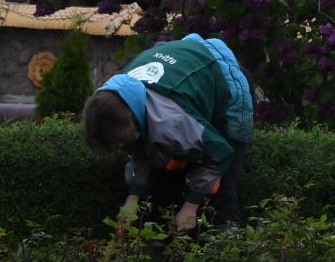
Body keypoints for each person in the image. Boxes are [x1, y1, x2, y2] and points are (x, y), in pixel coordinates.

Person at [81, 33, 256, 233]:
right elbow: (140, 151)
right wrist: (133, 198)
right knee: (162, 190)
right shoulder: (115, 103)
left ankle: (227, 255)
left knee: (221, 193)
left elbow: (220, 153)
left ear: (131, 116)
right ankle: (165, 257)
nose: (119, 145)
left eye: (120, 139)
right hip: (184, 75)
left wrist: (191, 205)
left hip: (223, 77)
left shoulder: (173, 121)